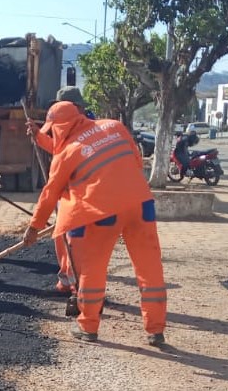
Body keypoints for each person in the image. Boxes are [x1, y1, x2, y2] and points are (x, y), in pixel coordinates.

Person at [22, 101, 167, 347]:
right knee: (149, 268)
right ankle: (156, 330)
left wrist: (34, 226)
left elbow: (50, 192)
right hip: (141, 204)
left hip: (102, 214)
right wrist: (39, 137)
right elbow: (134, 159)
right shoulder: (115, 126)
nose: (52, 133)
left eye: (52, 129)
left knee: (92, 269)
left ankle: (88, 326)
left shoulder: (67, 152)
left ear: (62, 126)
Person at [26, 85, 93, 297]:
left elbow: (53, 183)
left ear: (77, 108)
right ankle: (65, 279)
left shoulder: (90, 129)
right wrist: (38, 135)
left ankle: (79, 288)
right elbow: (57, 149)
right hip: (65, 194)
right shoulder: (65, 125)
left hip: (81, 197)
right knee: (61, 237)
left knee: (76, 242)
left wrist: (34, 226)